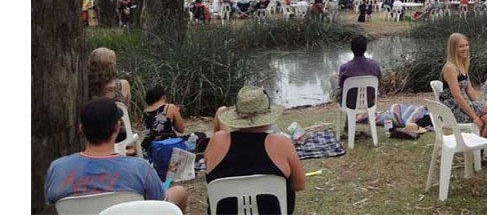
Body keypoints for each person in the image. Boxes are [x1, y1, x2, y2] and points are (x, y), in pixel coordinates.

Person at [44, 98, 189, 211]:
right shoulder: (140, 169)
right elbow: (160, 205)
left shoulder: (58, 169)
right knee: (180, 192)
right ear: (117, 127)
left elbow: (51, 202)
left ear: (81, 129)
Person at [205, 86, 305, 214]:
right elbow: (298, 185)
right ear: (268, 116)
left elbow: (210, 179)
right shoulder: (281, 143)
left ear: (236, 116)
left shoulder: (217, 141)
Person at [438, 33, 487, 150]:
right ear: (453, 49)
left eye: (466, 45)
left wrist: (479, 105)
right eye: (461, 46)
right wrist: (475, 117)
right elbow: (457, 97)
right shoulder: (450, 68)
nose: (465, 49)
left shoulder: (462, 63)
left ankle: (477, 153)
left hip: (463, 105)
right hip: (454, 109)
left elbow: (469, 90)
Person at [333, 35, 382, 109]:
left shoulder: (344, 68)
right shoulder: (375, 65)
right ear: (365, 49)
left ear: (351, 48)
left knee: (333, 78)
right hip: (369, 102)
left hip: (349, 103)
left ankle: (335, 98)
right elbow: (379, 80)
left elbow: (341, 85)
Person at [141, 85, 186, 158]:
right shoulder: (169, 107)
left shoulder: (145, 111)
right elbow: (181, 129)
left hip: (148, 146)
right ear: (163, 96)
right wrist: (176, 112)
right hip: (167, 144)